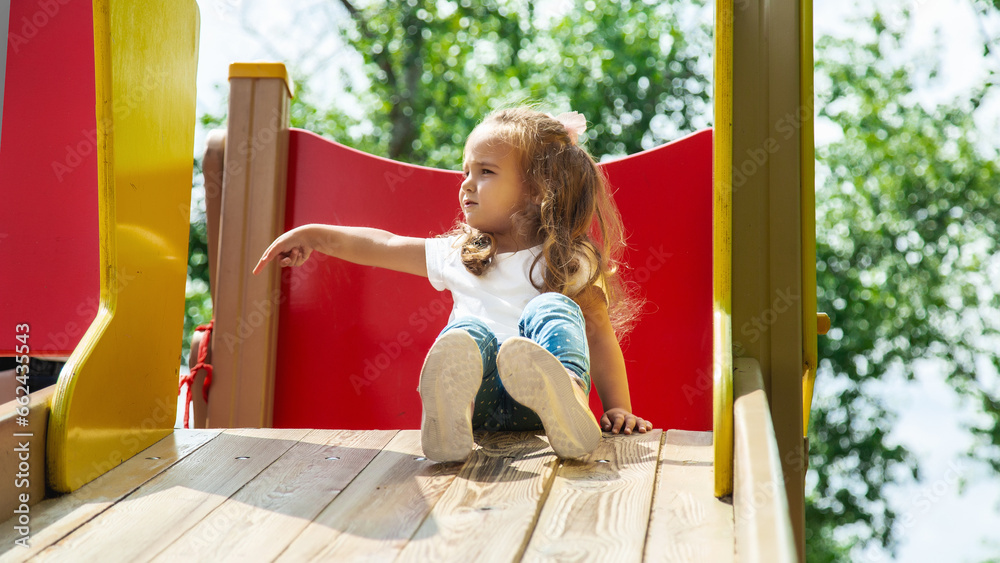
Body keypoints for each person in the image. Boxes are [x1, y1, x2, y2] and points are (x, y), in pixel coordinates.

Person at [253, 107, 652, 462]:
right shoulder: (462, 254)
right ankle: (449, 419)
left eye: (486, 172)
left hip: (540, 405)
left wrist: (619, 408)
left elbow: (599, 333)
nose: (466, 184)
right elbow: (385, 244)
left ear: (536, 191)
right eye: (466, 171)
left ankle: (568, 397)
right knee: (466, 335)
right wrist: (315, 235)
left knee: (552, 308)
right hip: (481, 398)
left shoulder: (569, 259)